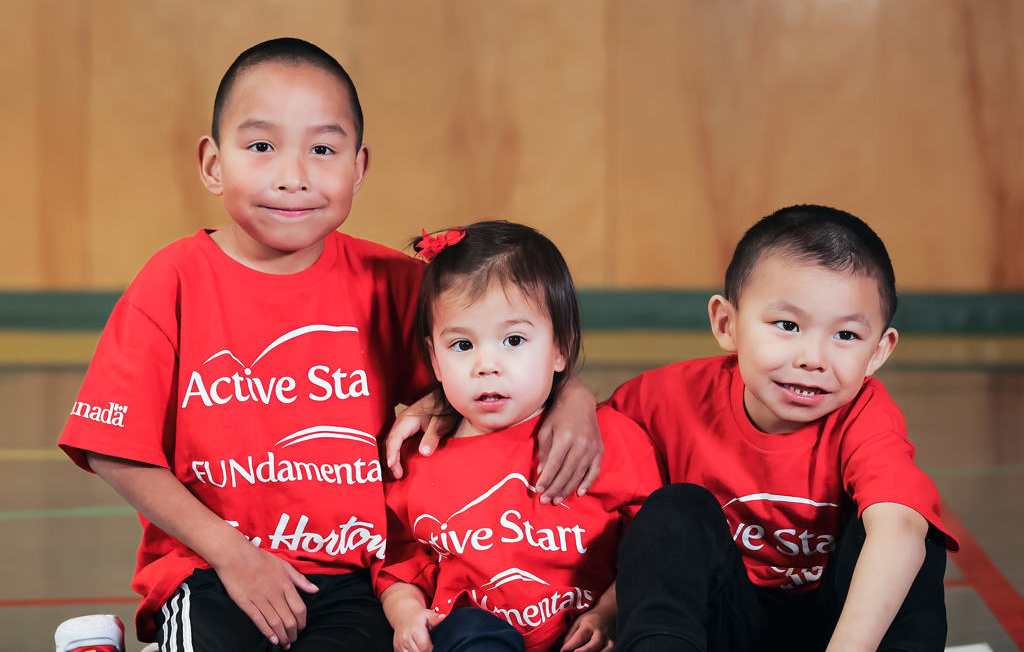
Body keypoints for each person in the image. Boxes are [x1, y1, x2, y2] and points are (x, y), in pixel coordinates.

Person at [57, 38, 601, 652]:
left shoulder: (392, 284)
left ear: (358, 168)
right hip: (212, 569)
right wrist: (234, 556)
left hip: (352, 581)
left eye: (322, 150)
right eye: (261, 147)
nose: (293, 177)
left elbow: (504, 351)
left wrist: (570, 393)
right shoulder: (173, 280)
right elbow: (112, 449)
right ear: (212, 163)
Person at [608, 204, 959, 652]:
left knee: (911, 530)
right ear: (726, 324)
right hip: (726, 626)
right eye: (787, 325)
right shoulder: (665, 396)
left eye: (846, 336)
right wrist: (572, 403)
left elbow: (899, 529)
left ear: (878, 352)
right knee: (677, 509)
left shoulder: (864, 415)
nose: (812, 358)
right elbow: (572, 434)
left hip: (833, 631)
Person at [377, 221, 663, 652]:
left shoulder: (608, 440)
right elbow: (400, 567)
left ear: (560, 348)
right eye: (461, 346)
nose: (486, 365)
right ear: (433, 359)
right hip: (475, 639)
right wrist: (406, 615)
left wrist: (609, 615)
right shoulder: (417, 457)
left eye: (513, 339)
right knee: (468, 631)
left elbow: (654, 553)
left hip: (587, 637)